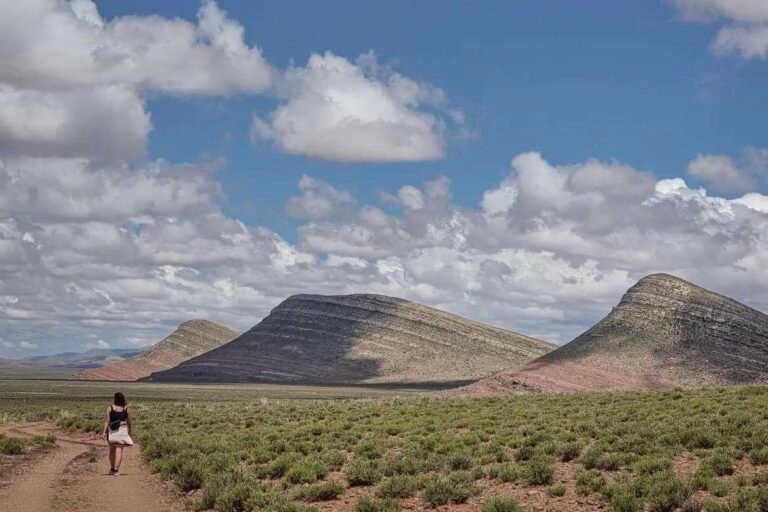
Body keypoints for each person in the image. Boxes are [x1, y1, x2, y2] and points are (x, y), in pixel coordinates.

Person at [101, 392, 133, 476]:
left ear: (115, 399)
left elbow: (107, 421)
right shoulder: (126, 408)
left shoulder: (110, 408)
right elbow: (129, 422)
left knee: (111, 450)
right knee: (119, 451)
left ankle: (112, 468)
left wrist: (104, 432)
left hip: (112, 431)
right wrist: (129, 432)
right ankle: (116, 470)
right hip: (122, 430)